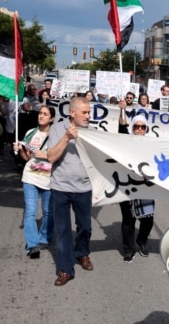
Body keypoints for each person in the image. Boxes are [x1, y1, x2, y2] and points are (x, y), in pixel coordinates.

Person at [47, 97, 94, 286]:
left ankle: (82, 253)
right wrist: (66, 137)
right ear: (72, 113)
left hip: (84, 188)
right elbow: (50, 157)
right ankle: (66, 269)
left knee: (85, 227)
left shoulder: (93, 131)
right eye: (84, 112)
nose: (88, 116)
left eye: (89, 112)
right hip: (61, 187)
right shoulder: (57, 129)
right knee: (64, 230)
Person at [13, 105, 55, 259]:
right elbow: (27, 158)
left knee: (48, 212)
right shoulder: (31, 133)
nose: (41, 116)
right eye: (40, 113)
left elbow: (58, 157)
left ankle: (44, 237)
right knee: (30, 212)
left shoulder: (56, 135)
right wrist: (21, 150)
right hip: (30, 177)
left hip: (48, 179)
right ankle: (32, 245)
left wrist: (45, 155)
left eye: (45, 114)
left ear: (51, 118)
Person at [117, 104, 154, 262]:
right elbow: (121, 127)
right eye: (137, 126)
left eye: (143, 127)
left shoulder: (152, 144)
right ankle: (128, 249)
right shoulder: (125, 140)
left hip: (145, 187)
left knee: (148, 219)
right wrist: (122, 110)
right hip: (127, 186)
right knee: (128, 219)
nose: (139, 129)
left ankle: (142, 240)